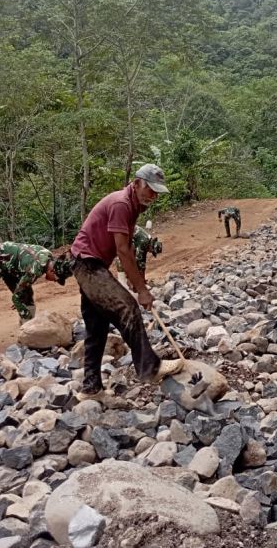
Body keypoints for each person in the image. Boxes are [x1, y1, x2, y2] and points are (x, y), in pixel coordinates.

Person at [70, 163, 183, 400]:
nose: (153, 196)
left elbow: (127, 247)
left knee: (96, 327)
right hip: (87, 263)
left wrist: (136, 280)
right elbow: (122, 250)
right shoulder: (122, 204)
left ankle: (91, 389)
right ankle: (150, 368)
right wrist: (141, 290)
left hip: (89, 262)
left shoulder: (133, 206)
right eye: (150, 190)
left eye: (156, 192)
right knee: (127, 308)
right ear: (137, 182)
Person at [0, 242, 71, 353]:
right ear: (52, 270)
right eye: (56, 278)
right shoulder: (35, 268)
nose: (54, 281)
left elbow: (22, 292)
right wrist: (27, 319)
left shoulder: (48, 258)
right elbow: (16, 298)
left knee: (27, 296)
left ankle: (27, 333)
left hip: (11, 267)